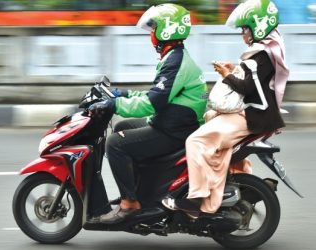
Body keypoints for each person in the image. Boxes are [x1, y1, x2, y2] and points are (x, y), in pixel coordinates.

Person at [162, 0, 289, 218]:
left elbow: (249, 88)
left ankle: (197, 198)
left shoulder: (262, 55)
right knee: (209, 117)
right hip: (256, 114)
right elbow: (254, 79)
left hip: (252, 116)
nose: (243, 34)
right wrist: (234, 69)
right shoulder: (267, 50)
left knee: (196, 141)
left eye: (245, 29)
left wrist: (226, 75)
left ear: (257, 27)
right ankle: (237, 177)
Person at [89, 3, 208, 224]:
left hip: (174, 131)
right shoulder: (175, 57)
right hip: (172, 122)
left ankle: (130, 203)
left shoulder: (175, 61)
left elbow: (153, 102)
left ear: (167, 30)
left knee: (115, 144)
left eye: (154, 28)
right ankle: (139, 192)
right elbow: (157, 94)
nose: (151, 34)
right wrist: (122, 94)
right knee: (122, 128)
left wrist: (115, 105)